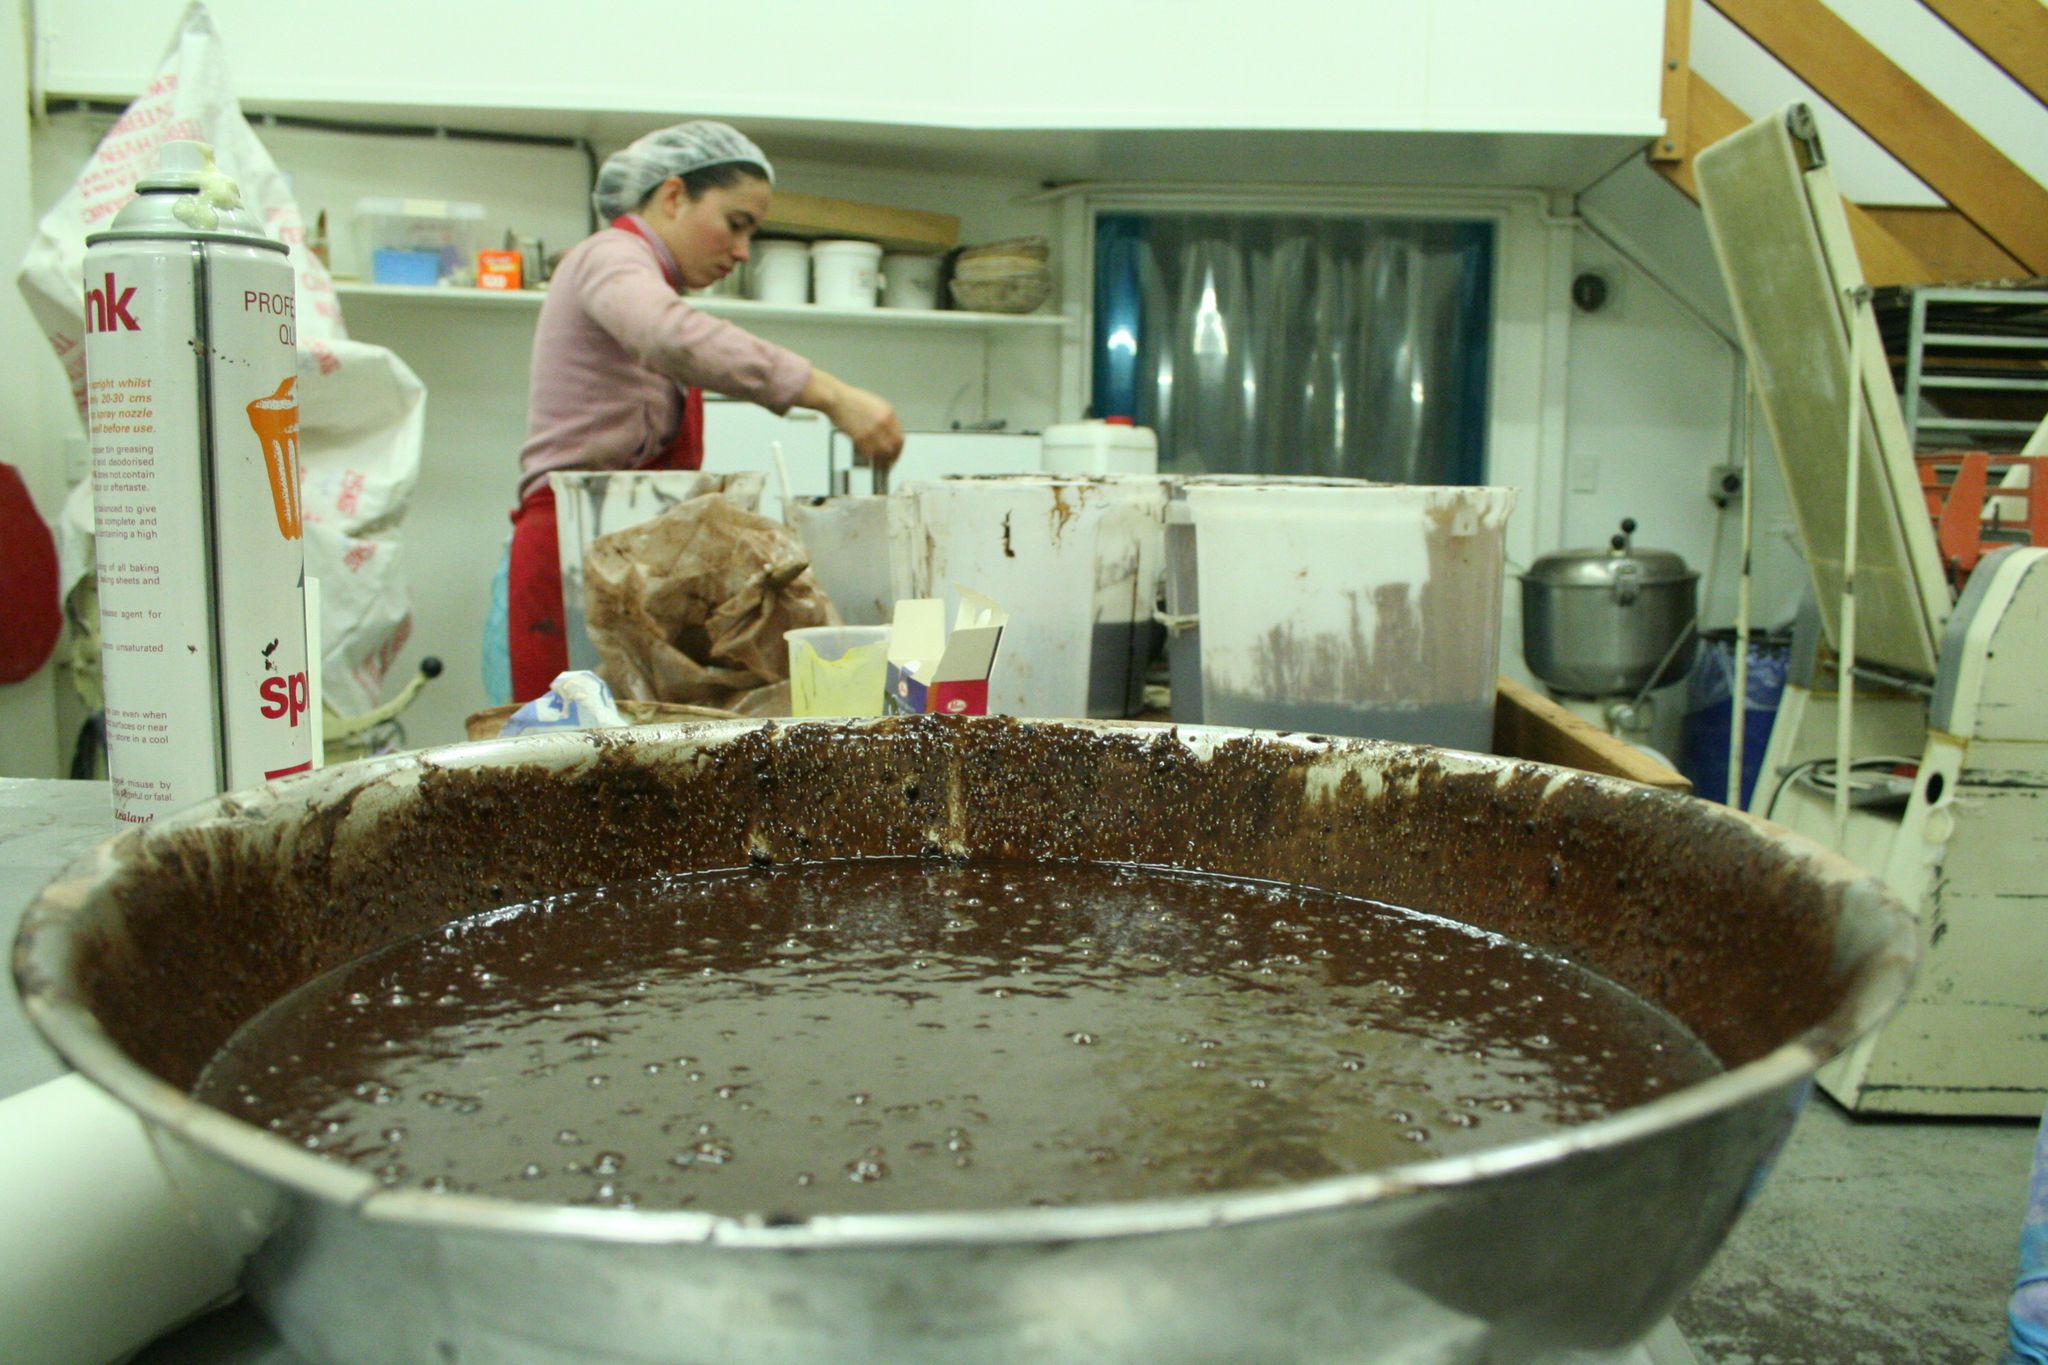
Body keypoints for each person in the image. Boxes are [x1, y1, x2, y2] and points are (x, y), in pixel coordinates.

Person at [507, 120, 903, 700]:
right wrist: (830, 394)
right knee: (569, 738)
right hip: (575, 547)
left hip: (627, 547)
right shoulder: (610, 256)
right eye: (735, 224)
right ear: (674, 196)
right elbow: (668, 335)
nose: (741, 252)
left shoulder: (642, 276)